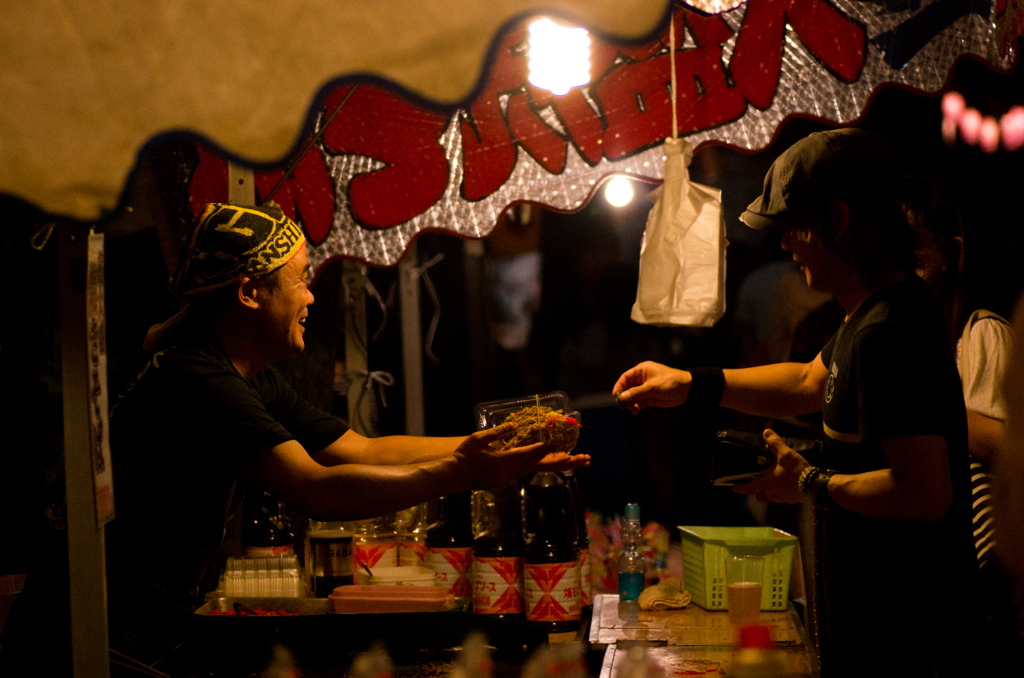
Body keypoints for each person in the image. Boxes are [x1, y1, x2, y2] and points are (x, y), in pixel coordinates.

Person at [4, 203, 591, 675]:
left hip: (146, 625)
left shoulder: (244, 375)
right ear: (249, 292)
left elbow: (357, 449)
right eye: (299, 280)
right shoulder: (199, 379)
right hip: (87, 636)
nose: (311, 297)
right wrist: (465, 473)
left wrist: (489, 442)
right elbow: (317, 489)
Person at [613, 129, 976, 678]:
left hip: (909, 640)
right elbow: (808, 382)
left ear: (837, 220)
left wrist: (808, 483)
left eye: (793, 227)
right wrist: (692, 383)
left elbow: (926, 494)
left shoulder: (892, 329)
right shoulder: (867, 317)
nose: (785, 245)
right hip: (875, 629)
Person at [907, 176, 1021, 668]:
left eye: (914, 244)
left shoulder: (983, 333)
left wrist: (920, 409)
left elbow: (1002, 444)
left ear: (951, 253)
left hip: (980, 569)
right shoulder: (920, 336)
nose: (899, 254)